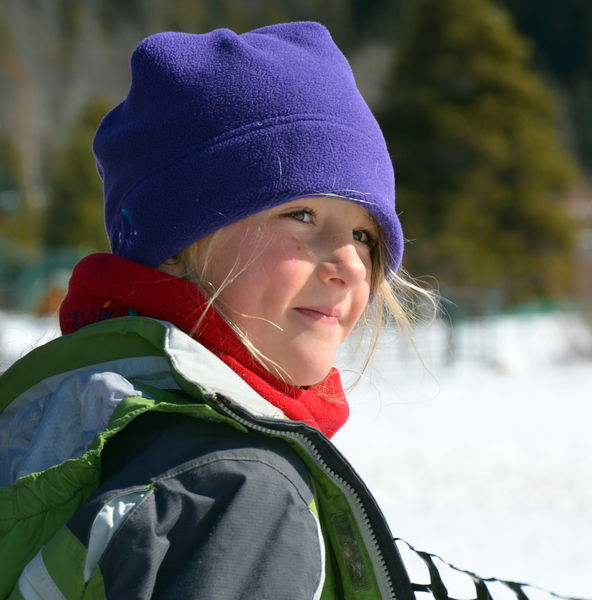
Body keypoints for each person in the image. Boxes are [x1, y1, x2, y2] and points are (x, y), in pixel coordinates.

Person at [0, 22, 578, 600]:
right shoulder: (235, 489)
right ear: (175, 245)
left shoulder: (65, 415)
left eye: (365, 236)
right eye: (301, 215)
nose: (350, 264)